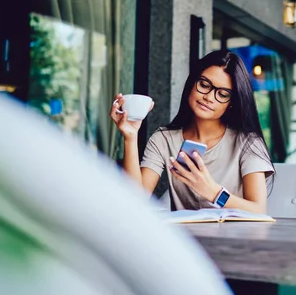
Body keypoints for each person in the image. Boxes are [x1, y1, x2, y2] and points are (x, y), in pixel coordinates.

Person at [110, 50, 274, 213]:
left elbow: (258, 210)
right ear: (191, 84)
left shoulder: (248, 143)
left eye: (222, 94)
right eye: (204, 85)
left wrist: (213, 192)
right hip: (183, 237)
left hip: (234, 237)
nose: (209, 97)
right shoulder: (164, 139)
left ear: (231, 103)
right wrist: (130, 138)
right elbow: (134, 200)